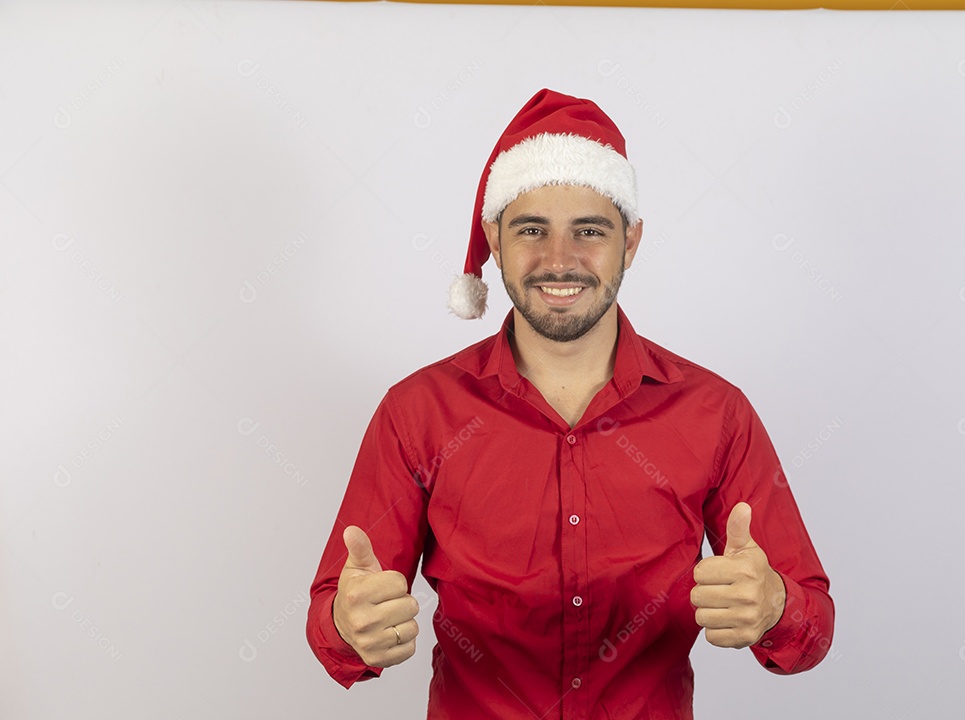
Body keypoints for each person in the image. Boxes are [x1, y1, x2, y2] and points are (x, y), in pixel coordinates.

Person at [307, 88, 834, 719]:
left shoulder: (716, 413)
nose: (560, 260)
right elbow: (335, 618)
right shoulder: (417, 412)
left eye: (590, 230)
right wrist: (349, 622)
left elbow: (812, 623)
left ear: (630, 243)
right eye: (532, 230)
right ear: (494, 241)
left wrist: (775, 605)